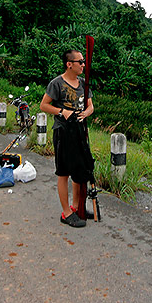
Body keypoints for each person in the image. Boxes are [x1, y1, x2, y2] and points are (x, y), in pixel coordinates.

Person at [39, 49, 94, 228]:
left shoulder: (84, 84)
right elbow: (44, 105)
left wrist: (86, 113)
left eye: (84, 62)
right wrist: (62, 111)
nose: (83, 65)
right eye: (80, 62)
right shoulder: (56, 83)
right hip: (63, 131)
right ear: (69, 64)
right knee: (63, 172)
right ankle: (66, 213)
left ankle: (77, 207)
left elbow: (90, 106)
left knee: (80, 172)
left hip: (80, 132)